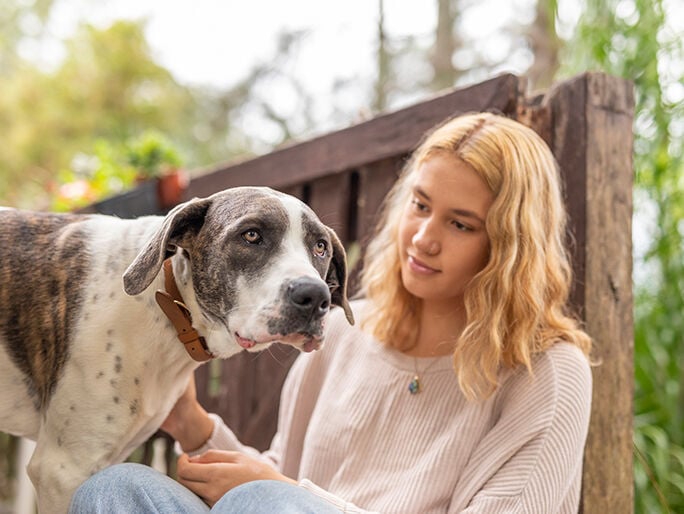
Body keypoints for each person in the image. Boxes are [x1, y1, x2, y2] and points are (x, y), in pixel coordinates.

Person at [69, 112, 593, 513]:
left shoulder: (545, 371)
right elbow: (280, 477)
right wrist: (192, 424)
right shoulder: (346, 331)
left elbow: (280, 496)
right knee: (118, 489)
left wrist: (283, 495)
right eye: (420, 204)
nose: (424, 238)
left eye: (461, 224)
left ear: (508, 247)